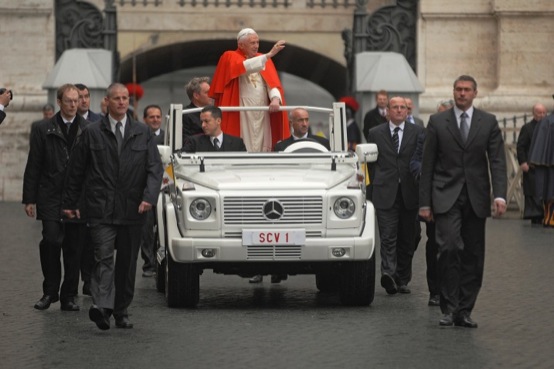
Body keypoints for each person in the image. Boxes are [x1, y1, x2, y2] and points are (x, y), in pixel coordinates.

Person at [62, 83, 163, 330]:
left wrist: (149, 198)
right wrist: (71, 203)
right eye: (116, 98)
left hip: (133, 209)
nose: (121, 102)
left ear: (129, 101)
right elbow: (76, 170)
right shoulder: (92, 132)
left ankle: (121, 310)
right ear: (107, 101)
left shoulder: (142, 132)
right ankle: (102, 307)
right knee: (103, 258)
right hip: (100, 207)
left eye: (125, 98)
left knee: (127, 264)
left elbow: (154, 169)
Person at [419, 75, 507, 328]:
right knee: (448, 248)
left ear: (475, 93)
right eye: (458, 89)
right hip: (445, 196)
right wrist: (424, 203)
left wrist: (500, 195)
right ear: (453, 92)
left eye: (467, 90)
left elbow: (498, 161)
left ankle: (465, 309)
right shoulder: (437, 122)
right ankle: (449, 307)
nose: (462, 93)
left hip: (476, 197)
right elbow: (428, 165)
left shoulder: (488, 122)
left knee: (473, 255)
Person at [22, 84, 89, 312]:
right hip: (50, 194)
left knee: (74, 247)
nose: (73, 105)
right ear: (59, 102)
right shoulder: (44, 129)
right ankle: (50, 291)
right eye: (69, 100)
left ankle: (69, 294)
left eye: (76, 100)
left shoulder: (89, 128)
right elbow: (34, 164)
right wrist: (29, 198)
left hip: (78, 199)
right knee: (51, 241)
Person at [366, 96, 424, 295]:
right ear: (388, 111)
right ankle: (388, 275)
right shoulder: (375, 133)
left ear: (407, 111)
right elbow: (370, 165)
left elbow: (421, 159)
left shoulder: (418, 132)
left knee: (409, 237)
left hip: (410, 192)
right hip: (385, 192)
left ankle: (402, 278)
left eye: (402, 108)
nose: (399, 110)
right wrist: (371, 188)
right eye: (395, 107)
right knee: (388, 237)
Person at [210, 27, 289, 152]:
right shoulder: (230, 56)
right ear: (241, 45)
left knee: (264, 142)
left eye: (257, 42)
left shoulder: (264, 59)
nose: (256, 46)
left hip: (263, 111)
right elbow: (243, 67)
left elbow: (272, 84)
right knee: (243, 141)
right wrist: (269, 55)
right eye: (252, 43)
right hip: (242, 110)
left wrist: (275, 99)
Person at [140, 104, 165, 278]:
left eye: (158, 116)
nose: (155, 120)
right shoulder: (139, 137)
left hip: (165, 190)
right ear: (145, 119)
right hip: (146, 190)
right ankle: (148, 263)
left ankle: (162, 263)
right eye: (151, 117)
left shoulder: (169, 138)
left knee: (163, 228)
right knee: (146, 229)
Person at [517, 103, 547, 225]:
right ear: (533, 114)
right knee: (532, 192)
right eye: (539, 112)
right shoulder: (527, 128)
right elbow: (521, 146)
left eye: (544, 112)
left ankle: (547, 215)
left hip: (545, 166)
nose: (542, 115)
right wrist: (523, 162)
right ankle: (536, 216)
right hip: (532, 166)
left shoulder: (549, 127)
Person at [528, 106, 554, 228]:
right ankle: (549, 217)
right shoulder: (547, 122)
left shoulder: (545, 122)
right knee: (549, 191)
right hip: (549, 164)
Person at [182, 105, 246, 153]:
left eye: (206, 121)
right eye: (201, 122)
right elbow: (180, 157)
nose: (203, 125)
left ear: (218, 121)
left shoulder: (237, 143)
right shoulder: (194, 143)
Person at [183, 76, 212, 142]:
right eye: (207, 92)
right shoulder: (184, 114)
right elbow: (186, 140)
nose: (211, 94)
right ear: (196, 96)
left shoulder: (215, 112)